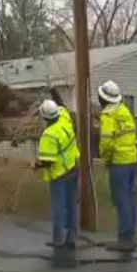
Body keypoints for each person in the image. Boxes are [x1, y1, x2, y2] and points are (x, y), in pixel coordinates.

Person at [97, 80, 137, 252]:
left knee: (121, 200)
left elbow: (106, 142)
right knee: (129, 199)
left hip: (119, 163)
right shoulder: (124, 111)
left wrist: (105, 158)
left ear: (103, 98)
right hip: (132, 161)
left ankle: (124, 239)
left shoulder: (108, 115)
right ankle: (130, 235)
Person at [34, 99, 81, 249]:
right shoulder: (65, 117)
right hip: (73, 167)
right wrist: (53, 91)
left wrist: (36, 165)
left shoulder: (49, 135)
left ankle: (58, 239)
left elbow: (48, 161)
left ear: (44, 117)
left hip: (60, 174)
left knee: (59, 207)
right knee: (72, 203)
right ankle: (72, 236)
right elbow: (62, 106)